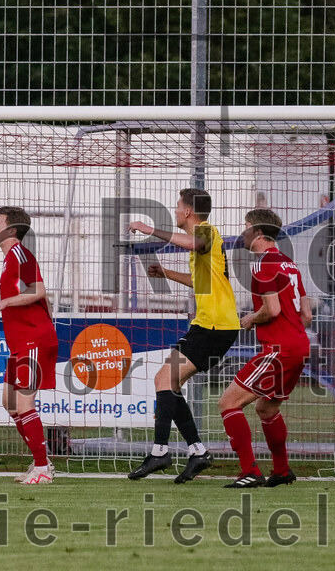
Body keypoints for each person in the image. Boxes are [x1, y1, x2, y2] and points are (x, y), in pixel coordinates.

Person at [127, 188, 240, 483]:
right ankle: (197, 451)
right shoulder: (204, 241)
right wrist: (166, 273)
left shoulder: (206, 231)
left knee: (164, 380)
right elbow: (200, 282)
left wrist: (150, 229)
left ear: (188, 211)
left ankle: (160, 451)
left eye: (177, 206)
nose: (175, 211)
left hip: (214, 326)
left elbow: (194, 242)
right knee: (169, 383)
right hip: (212, 326)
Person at [218, 208, 312, 488]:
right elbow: (306, 314)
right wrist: (289, 331)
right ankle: (281, 471)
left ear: (258, 233)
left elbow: (271, 310)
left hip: (279, 348)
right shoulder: (289, 264)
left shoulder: (262, 265)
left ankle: (250, 472)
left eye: (246, 226)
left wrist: (251, 318)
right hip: (299, 346)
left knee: (228, 403)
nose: (243, 232)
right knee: (267, 410)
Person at [0, 206, 59, 485]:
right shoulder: (9, 259)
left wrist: (2, 303)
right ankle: (42, 462)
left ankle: (42, 469)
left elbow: (38, 290)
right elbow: (42, 298)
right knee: (10, 402)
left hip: (33, 339)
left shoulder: (20, 254)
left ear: (11, 230)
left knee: (24, 402)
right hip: (21, 341)